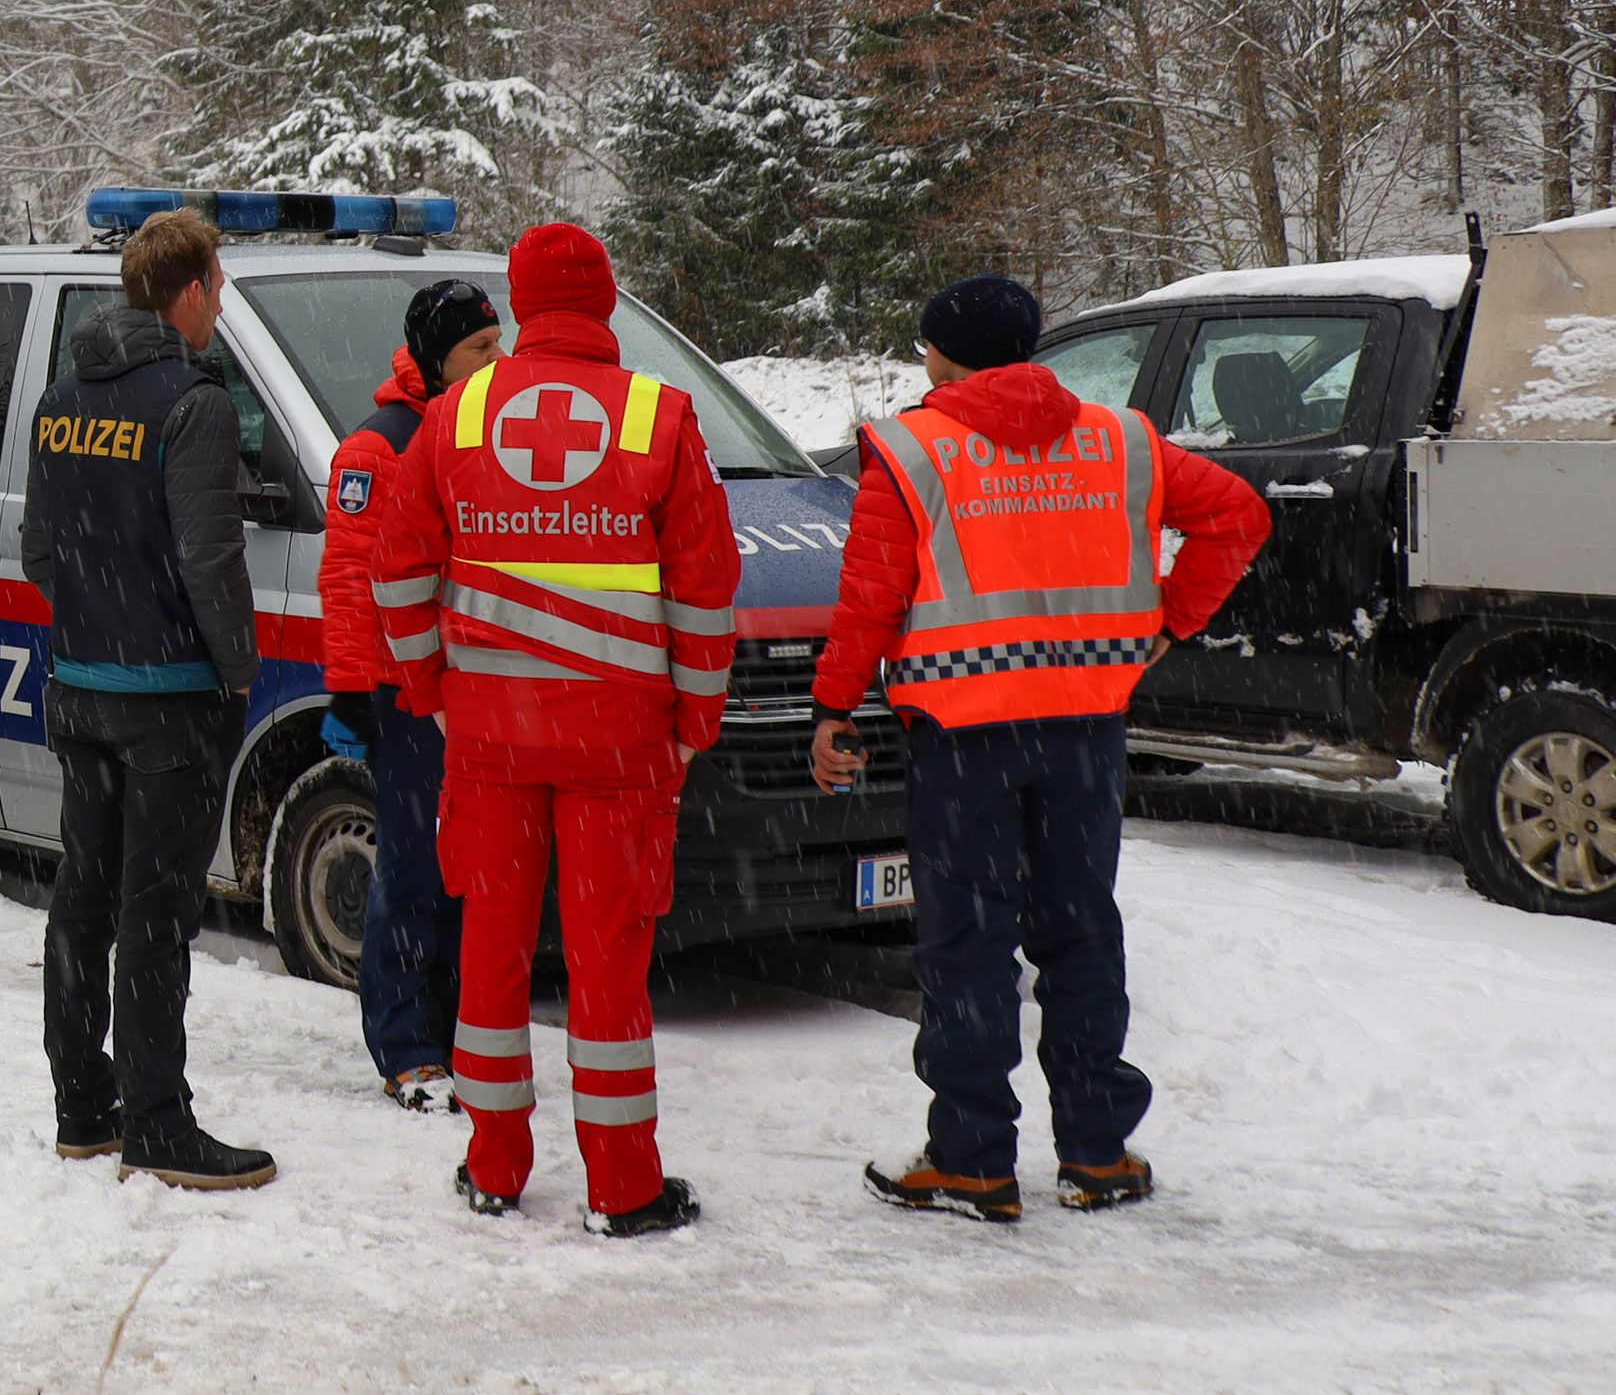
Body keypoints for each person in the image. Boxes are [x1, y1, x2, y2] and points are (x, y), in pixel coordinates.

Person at [811, 275, 1268, 1225]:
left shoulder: (911, 449)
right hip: (1086, 729)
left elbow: (871, 596)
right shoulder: (1121, 441)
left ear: (946, 353)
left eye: (928, 345)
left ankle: (973, 1160)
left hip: (962, 735)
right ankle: (1097, 1152)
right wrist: (1171, 622)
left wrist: (834, 704)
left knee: (967, 942)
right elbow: (1238, 518)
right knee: (1079, 932)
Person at [372, 222, 739, 1238]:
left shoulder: (452, 415)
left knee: (489, 949)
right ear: (609, 302)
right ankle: (621, 1183)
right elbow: (704, 589)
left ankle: (493, 1161)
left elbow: (397, 572)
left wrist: (431, 686)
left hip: (489, 741)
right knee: (607, 959)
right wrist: (694, 717)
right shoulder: (658, 416)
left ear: (520, 306)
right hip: (619, 746)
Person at [19, 207, 276, 1190]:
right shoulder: (194, 401)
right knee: (156, 915)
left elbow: (41, 552)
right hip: (170, 699)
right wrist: (235, 663)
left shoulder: (61, 395)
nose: (221, 302)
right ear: (191, 289)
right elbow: (210, 559)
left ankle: (84, 1110)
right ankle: (159, 1123)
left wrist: (99, 622)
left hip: (78, 689)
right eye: (219, 283)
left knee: (81, 904)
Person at [319, 278, 505, 1112]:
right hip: (405, 696)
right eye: (478, 348)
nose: (494, 361)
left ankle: (461, 1028)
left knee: (473, 866)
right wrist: (354, 690)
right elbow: (352, 582)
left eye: (498, 344)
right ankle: (406, 1047)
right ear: (435, 356)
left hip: (477, 690)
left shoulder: (493, 428)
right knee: (413, 867)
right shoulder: (377, 448)